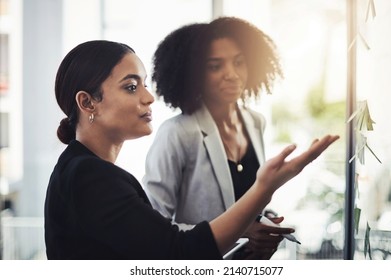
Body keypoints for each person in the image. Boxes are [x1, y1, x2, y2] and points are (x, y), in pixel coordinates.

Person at [44, 39, 339, 260]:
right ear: (87, 103)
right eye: (131, 87)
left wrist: (247, 229)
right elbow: (177, 253)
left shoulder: (84, 169)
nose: (149, 97)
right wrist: (265, 187)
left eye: (144, 84)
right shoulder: (89, 175)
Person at [143, 17, 285, 259]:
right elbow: (154, 230)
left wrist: (266, 221)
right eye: (215, 66)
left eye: (239, 62)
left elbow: (242, 202)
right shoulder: (177, 133)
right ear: (194, 74)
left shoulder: (255, 122)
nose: (231, 74)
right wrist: (241, 232)